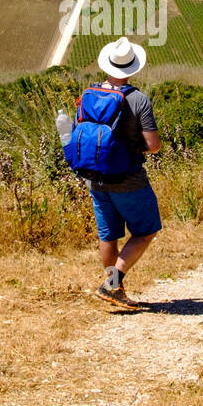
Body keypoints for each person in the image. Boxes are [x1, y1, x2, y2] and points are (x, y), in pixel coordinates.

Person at [76, 36, 162, 309]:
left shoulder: (89, 95)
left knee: (108, 235)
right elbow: (154, 146)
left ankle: (114, 287)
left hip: (95, 177)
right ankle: (113, 284)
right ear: (133, 68)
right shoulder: (138, 99)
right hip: (128, 179)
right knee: (145, 231)